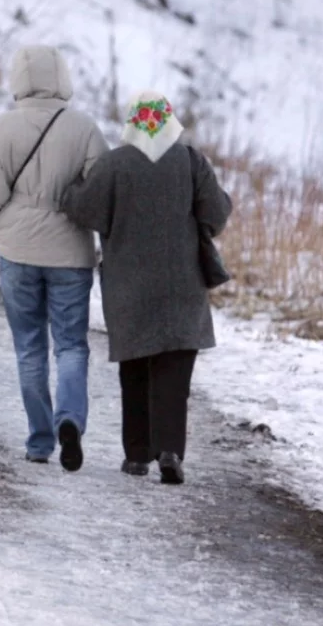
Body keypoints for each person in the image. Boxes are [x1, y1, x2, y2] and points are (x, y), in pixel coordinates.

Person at [63, 92, 233, 486]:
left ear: (133, 124)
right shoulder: (191, 161)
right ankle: (170, 450)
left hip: (129, 287)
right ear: (169, 123)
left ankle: (138, 455)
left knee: (135, 368)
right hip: (183, 287)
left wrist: (71, 189)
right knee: (175, 373)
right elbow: (217, 215)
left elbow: (86, 210)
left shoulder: (114, 164)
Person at [0, 47, 110, 470]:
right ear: (62, 78)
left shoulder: (3, 127)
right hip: (70, 251)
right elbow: (103, 190)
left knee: (29, 347)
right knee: (70, 344)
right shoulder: (85, 128)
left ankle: (39, 441)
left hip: (17, 248)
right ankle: (70, 417)